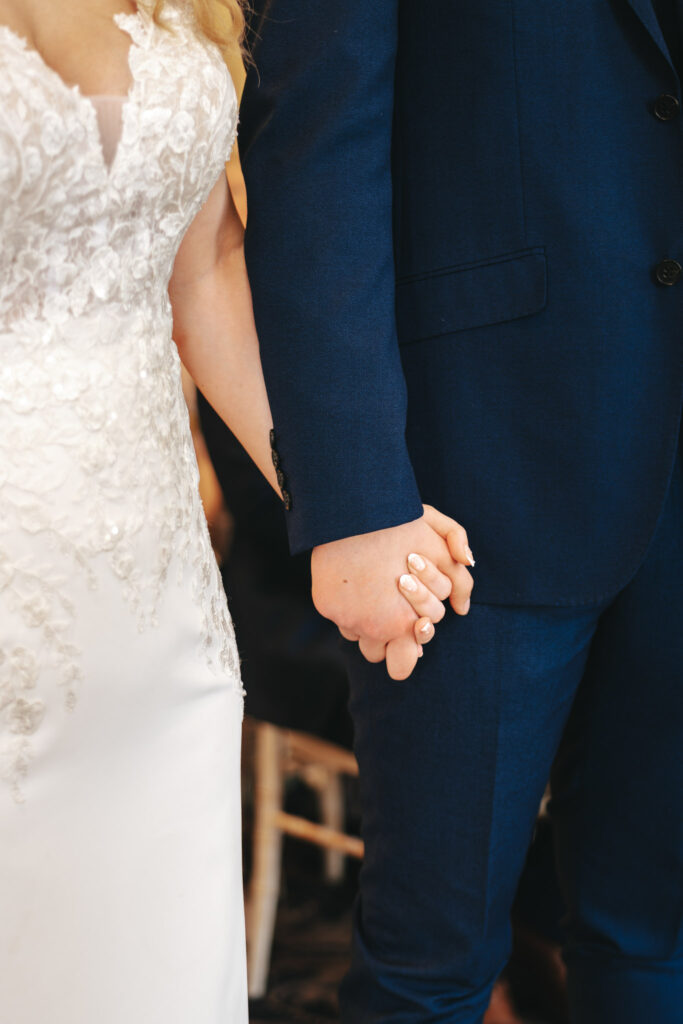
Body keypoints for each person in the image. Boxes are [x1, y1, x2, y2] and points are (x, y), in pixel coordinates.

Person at [0, 2, 464, 1020]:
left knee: (150, 955)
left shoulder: (191, 4)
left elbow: (202, 274)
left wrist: (348, 502)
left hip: (154, 602)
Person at [236, 2, 683, 1022]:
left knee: (654, 928)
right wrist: (351, 495)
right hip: (474, 463)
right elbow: (318, 137)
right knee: (429, 960)